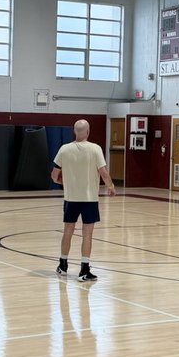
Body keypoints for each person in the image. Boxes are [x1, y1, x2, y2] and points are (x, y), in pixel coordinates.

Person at [51, 119, 115, 281]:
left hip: (71, 198)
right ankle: (84, 270)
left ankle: (63, 265)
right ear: (88, 132)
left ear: (74, 131)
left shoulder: (64, 149)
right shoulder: (95, 149)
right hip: (89, 199)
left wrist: (64, 183)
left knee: (68, 231)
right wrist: (111, 186)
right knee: (87, 234)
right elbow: (103, 172)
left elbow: (53, 176)